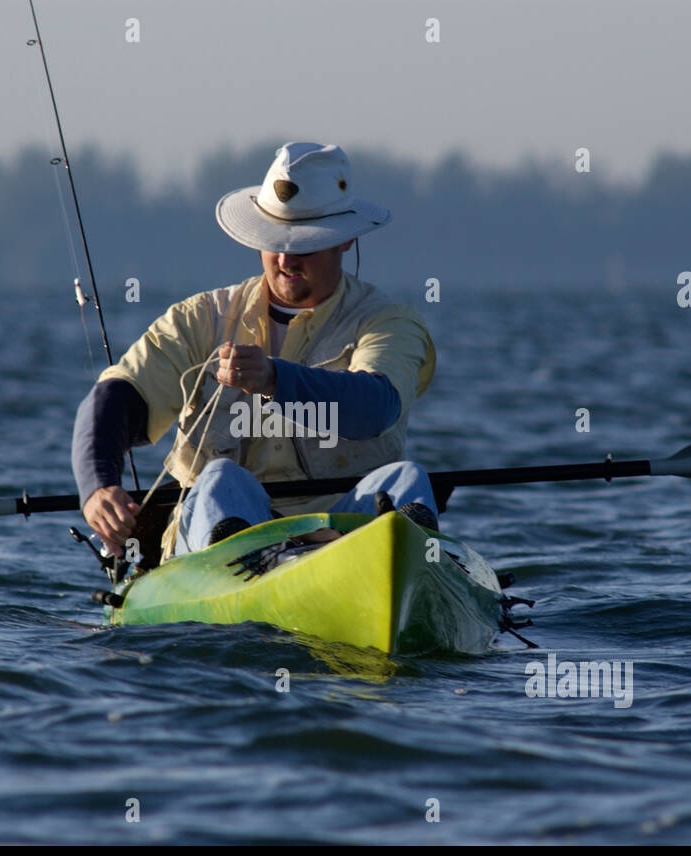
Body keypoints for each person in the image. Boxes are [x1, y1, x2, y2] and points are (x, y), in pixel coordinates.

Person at [72, 141, 438, 562]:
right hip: (222, 530)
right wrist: (98, 486)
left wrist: (274, 380)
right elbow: (116, 398)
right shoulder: (200, 319)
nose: (285, 258)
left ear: (346, 241)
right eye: (274, 240)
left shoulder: (389, 322)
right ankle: (251, 564)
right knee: (223, 479)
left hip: (345, 533)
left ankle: (403, 567)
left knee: (408, 480)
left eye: (305, 242)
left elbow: (376, 406)